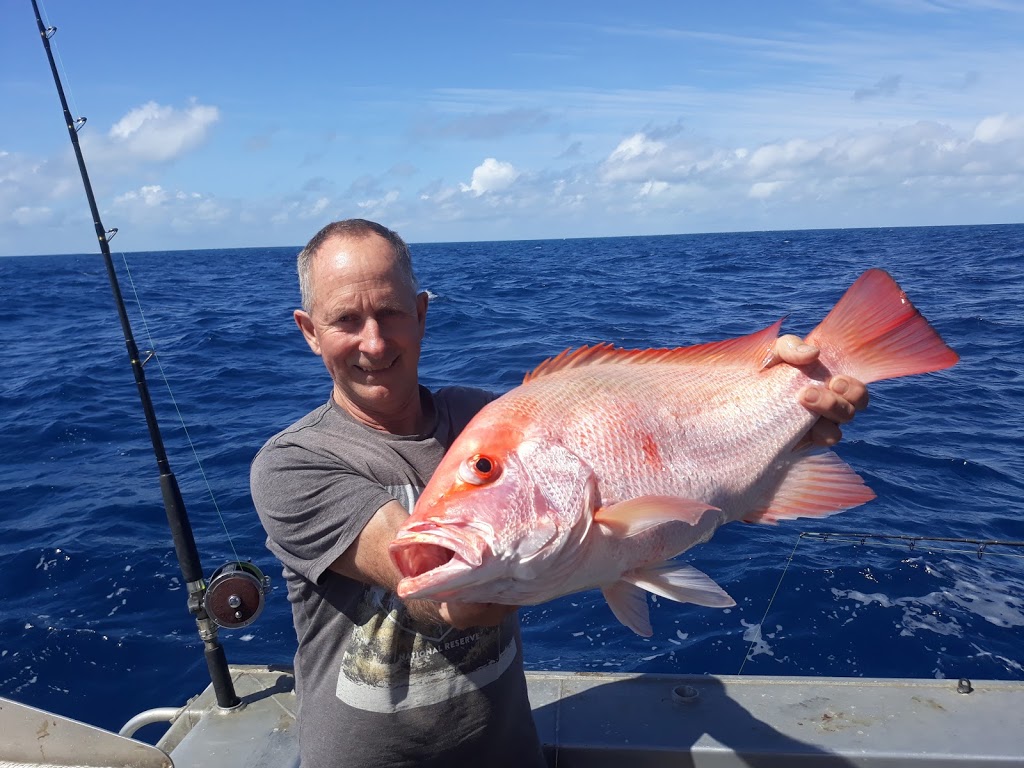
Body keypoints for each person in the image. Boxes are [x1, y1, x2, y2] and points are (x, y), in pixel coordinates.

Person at [250, 219, 868, 768]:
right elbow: (434, 588)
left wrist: (788, 413)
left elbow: (667, 462)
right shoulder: (292, 464)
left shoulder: (479, 416)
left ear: (422, 313)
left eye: (389, 313)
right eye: (345, 321)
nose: (374, 342)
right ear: (309, 331)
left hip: (507, 751)